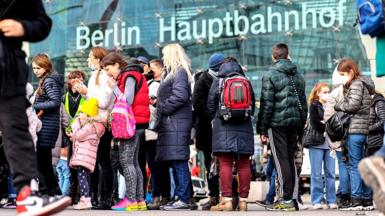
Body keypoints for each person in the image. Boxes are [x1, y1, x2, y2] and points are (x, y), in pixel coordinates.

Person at [0, 1, 71, 214]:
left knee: (17, 131)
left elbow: (43, 23)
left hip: (7, 69)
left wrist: (23, 28)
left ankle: (26, 196)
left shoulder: (50, 82)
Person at [257, 43, 307, 211]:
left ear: (274, 57)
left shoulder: (270, 74)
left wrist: (262, 129)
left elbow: (266, 104)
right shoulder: (298, 75)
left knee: (281, 160)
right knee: (290, 160)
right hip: (294, 124)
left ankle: (286, 199)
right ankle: (292, 199)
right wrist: (300, 126)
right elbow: (304, 105)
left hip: (276, 124)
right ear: (288, 55)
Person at [101, 53, 150, 211]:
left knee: (126, 162)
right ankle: (140, 200)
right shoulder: (134, 74)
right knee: (134, 163)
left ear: (116, 65)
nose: (108, 73)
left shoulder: (129, 75)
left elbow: (127, 100)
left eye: (108, 69)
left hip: (130, 124)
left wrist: (113, 87)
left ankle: (130, 200)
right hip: (137, 123)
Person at [207, 57, 255, 211]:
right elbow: (252, 105)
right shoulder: (245, 80)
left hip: (223, 126)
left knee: (226, 163)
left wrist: (218, 116)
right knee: (244, 163)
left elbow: (210, 106)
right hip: (244, 126)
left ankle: (227, 200)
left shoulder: (219, 81)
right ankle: (243, 201)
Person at [155, 43, 193, 210]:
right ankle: (179, 195)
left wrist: (162, 107)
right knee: (175, 161)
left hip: (176, 123)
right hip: (173, 123)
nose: (163, 58)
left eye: (164, 55)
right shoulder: (172, 73)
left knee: (179, 161)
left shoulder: (179, 72)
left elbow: (180, 96)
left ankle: (183, 198)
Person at [334, 58, 374, 210]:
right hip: (363, 130)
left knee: (354, 165)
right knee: (363, 164)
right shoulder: (364, 84)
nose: (342, 77)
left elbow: (352, 106)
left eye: (343, 74)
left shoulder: (357, 84)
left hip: (355, 129)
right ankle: (366, 199)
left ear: (351, 71)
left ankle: (356, 199)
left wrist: (339, 105)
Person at [76, 47, 114, 209]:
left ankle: (106, 197)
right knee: (96, 160)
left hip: (102, 122)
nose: (88, 60)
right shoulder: (96, 76)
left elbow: (103, 101)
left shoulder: (104, 76)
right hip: (96, 120)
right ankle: (96, 197)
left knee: (103, 160)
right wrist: (85, 93)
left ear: (99, 59)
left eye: (90, 57)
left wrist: (87, 92)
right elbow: (94, 101)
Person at [192, 53, 224, 210]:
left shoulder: (226, 78)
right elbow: (197, 105)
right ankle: (214, 196)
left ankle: (228, 196)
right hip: (207, 131)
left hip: (222, 130)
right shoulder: (202, 80)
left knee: (225, 162)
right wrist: (215, 116)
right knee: (210, 164)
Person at [32, 53, 64, 197]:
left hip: (46, 127)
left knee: (41, 161)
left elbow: (56, 102)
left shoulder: (49, 81)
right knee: (44, 161)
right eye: (33, 68)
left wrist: (35, 105)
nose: (35, 71)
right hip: (47, 126)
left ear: (46, 67)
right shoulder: (47, 80)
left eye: (38, 68)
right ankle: (54, 190)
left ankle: (46, 191)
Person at [305, 82, 337, 209]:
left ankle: (331, 200)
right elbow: (315, 123)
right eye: (325, 92)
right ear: (317, 93)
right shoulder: (313, 105)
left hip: (330, 144)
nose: (328, 94)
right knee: (316, 173)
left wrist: (325, 123)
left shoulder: (332, 106)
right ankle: (317, 200)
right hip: (316, 143)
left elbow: (336, 123)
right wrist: (327, 124)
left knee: (330, 173)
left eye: (329, 92)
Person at [69, 98, 105, 210]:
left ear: (88, 114)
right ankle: (86, 198)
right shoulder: (95, 127)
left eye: (81, 112)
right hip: (86, 157)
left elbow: (79, 135)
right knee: (84, 177)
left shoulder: (89, 127)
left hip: (84, 157)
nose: (79, 115)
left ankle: (86, 199)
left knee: (82, 177)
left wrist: (75, 126)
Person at [323, 64, 351, 208]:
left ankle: (344, 195)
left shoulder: (335, 93)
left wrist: (331, 135)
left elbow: (328, 116)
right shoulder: (359, 90)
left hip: (340, 135)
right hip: (356, 132)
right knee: (354, 165)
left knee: (343, 165)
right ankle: (356, 195)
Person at [146, 59, 171, 210]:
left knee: (164, 165)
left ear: (161, 69)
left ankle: (165, 195)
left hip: (163, 129)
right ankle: (156, 195)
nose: (150, 70)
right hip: (149, 129)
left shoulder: (166, 83)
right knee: (153, 164)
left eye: (152, 68)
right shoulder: (147, 84)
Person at [63, 70, 86, 204]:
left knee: (83, 164)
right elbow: (62, 116)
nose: (78, 82)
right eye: (76, 79)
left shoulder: (86, 96)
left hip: (83, 133)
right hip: (69, 134)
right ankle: (72, 195)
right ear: (70, 81)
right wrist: (66, 130)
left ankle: (83, 194)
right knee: (70, 165)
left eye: (81, 79)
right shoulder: (64, 97)